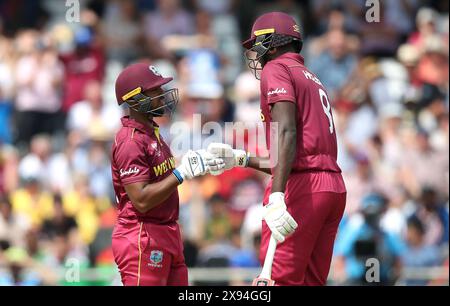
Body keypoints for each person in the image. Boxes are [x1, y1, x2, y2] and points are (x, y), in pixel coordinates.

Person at [208, 12, 347, 285]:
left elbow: (286, 131)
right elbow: (297, 152)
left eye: (258, 45)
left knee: (276, 282)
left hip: (302, 187)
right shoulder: (312, 77)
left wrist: (278, 194)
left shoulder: (276, 68)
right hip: (332, 186)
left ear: (273, 43)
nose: (256, 55)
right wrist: (242, 158)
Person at [111, 62, 224, 286]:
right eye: (155, 91)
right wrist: (182, 173)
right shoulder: (130, 141)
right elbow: (141, 199)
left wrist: (198, 160)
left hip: (167, 231)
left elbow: (160, 176)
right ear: (135, 99)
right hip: (142, 234)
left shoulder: (152, 133)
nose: (162, 95)